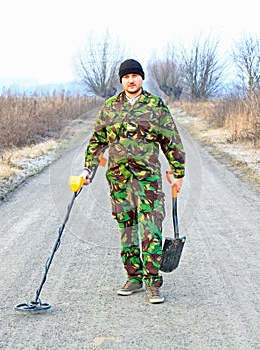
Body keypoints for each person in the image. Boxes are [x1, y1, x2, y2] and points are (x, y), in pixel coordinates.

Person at [81, 59, 185, 304]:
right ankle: (134, 277)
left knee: (151, 231)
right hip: (119, 181)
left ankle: (153, 283)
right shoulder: (110, 107)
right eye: (126, 76)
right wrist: (88, 169)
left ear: (141, 78)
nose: (131, 80)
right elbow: (97, 142)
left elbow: (171, 140)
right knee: (127, 231)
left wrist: (178, 170)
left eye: (135, 76)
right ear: (121, 80)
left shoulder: (155, 106)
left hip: (148, 181)